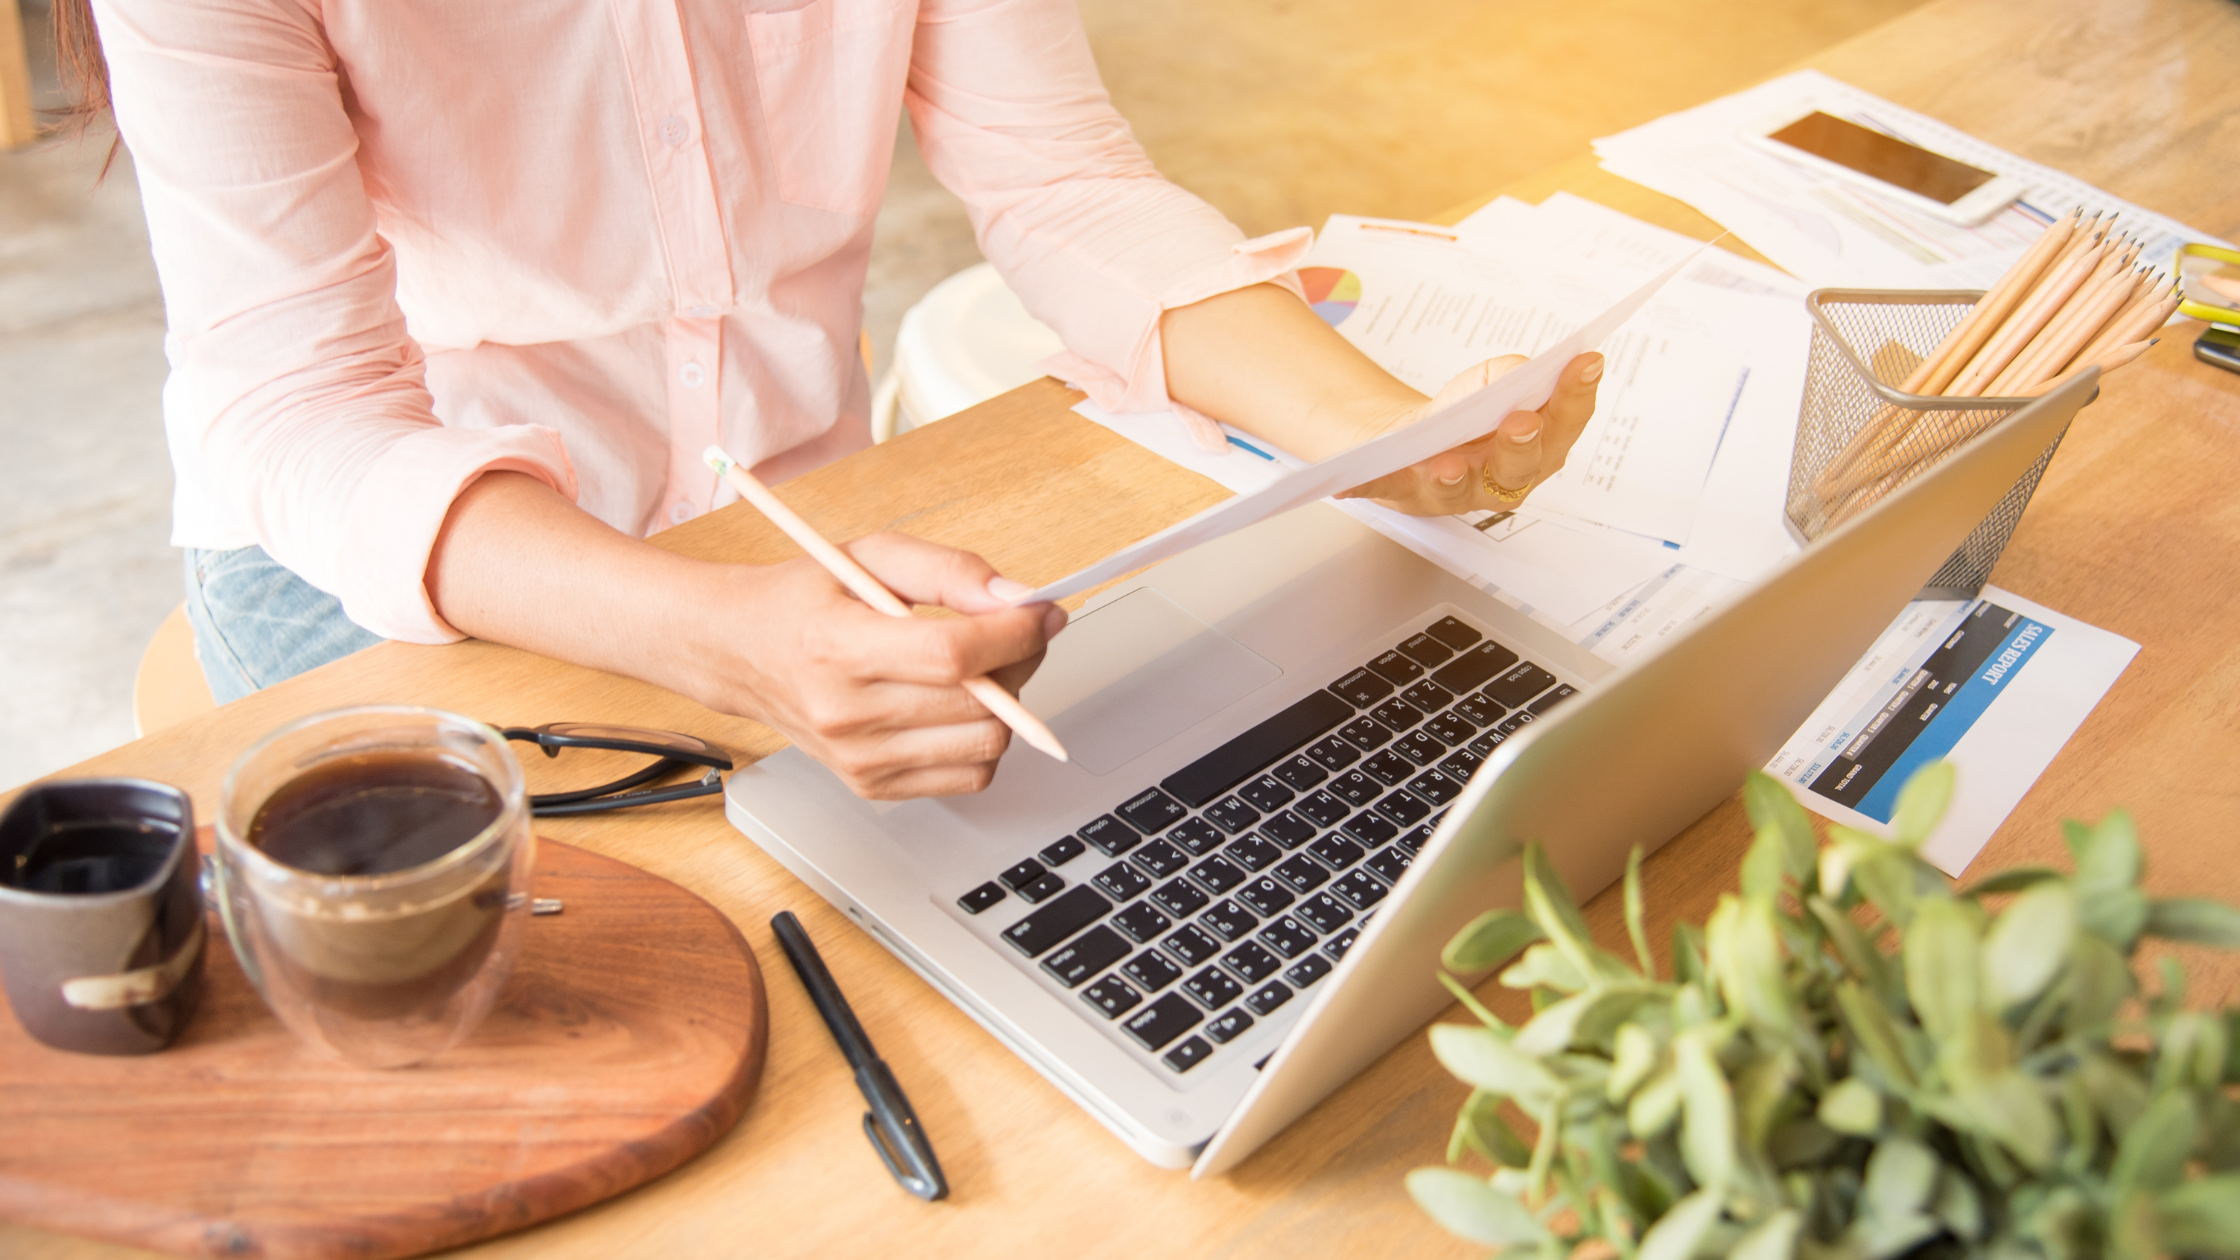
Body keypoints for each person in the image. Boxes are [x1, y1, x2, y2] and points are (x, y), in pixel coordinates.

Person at [58, 0, 1602, 800]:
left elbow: (1064, 185)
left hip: (793, 530)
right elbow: (302, 411)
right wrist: (727, 638)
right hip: (392, 579)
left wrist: (1385, 435)